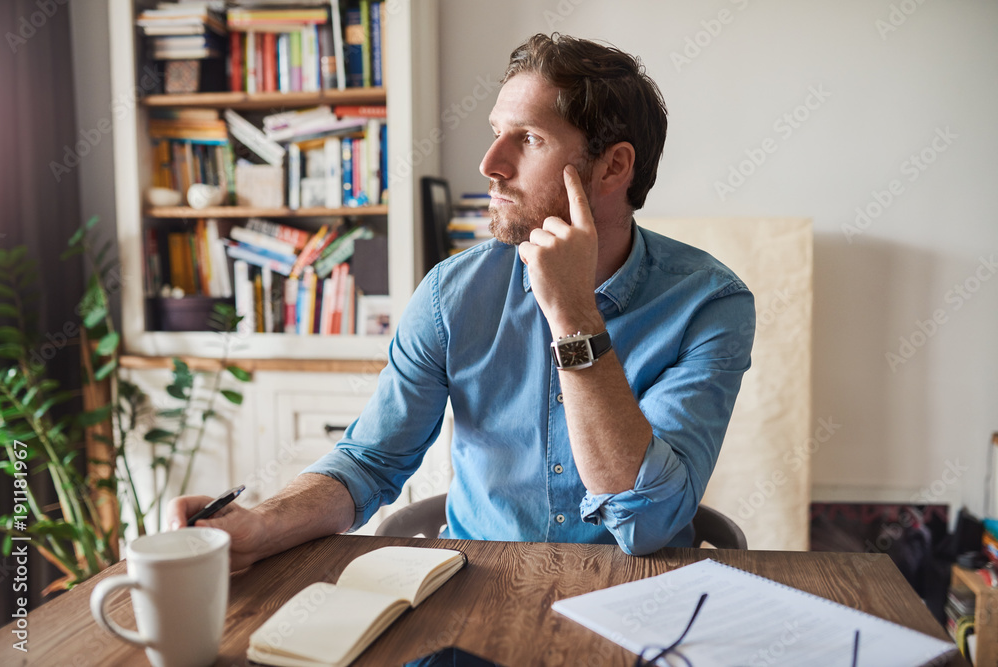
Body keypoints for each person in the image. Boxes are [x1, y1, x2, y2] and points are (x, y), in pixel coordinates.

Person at [168, 34, 755, 568]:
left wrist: (573, 317)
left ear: (614, 166)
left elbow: (646, 524)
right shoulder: (452, 293)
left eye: (528, 139)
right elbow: (370, 461)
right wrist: (259, 524)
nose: (490, 165)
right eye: (495, 132)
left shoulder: (709, 304)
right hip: (478, 591)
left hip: (640, 596)